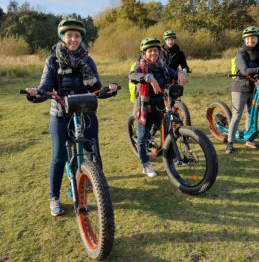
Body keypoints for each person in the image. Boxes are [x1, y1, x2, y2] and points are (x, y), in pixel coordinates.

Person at [25, 17, 118, 216]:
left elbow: (96, 88)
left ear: (81, 38)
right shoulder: (53, 60)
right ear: (62, 37)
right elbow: (45, 88)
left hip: (86, 112)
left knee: (92, 151)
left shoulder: (88, 61)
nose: (73, 39)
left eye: (77, 36)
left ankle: (91, 183)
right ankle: (54, 197)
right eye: (69, 35)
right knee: (59, 156)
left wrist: (108, 89)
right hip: (61, 115)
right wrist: (36, 93)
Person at [129, 37, 186, 177]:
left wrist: (180, 73)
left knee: (167, 133)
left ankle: (168, 157)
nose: (153, 53)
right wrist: (148, 78)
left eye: (155, 50)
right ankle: (145, 164)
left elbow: (173, 72)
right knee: (142, 138)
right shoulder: (140, 65)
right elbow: (133, 76)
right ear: (144, 53)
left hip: (161, 105)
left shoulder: (162, 65)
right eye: (150, 51)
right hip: (145, 108)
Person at [226, 26, 259, 154]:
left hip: (254, 88)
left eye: (253, 38)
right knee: (237, 115)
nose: (251, 41)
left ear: (257, 39)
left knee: (251, 114)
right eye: (248, 38)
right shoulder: (241, 54)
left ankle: (249, 140)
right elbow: (245, 71)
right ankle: (230, 142)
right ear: (244, 40)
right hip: (240, 88)